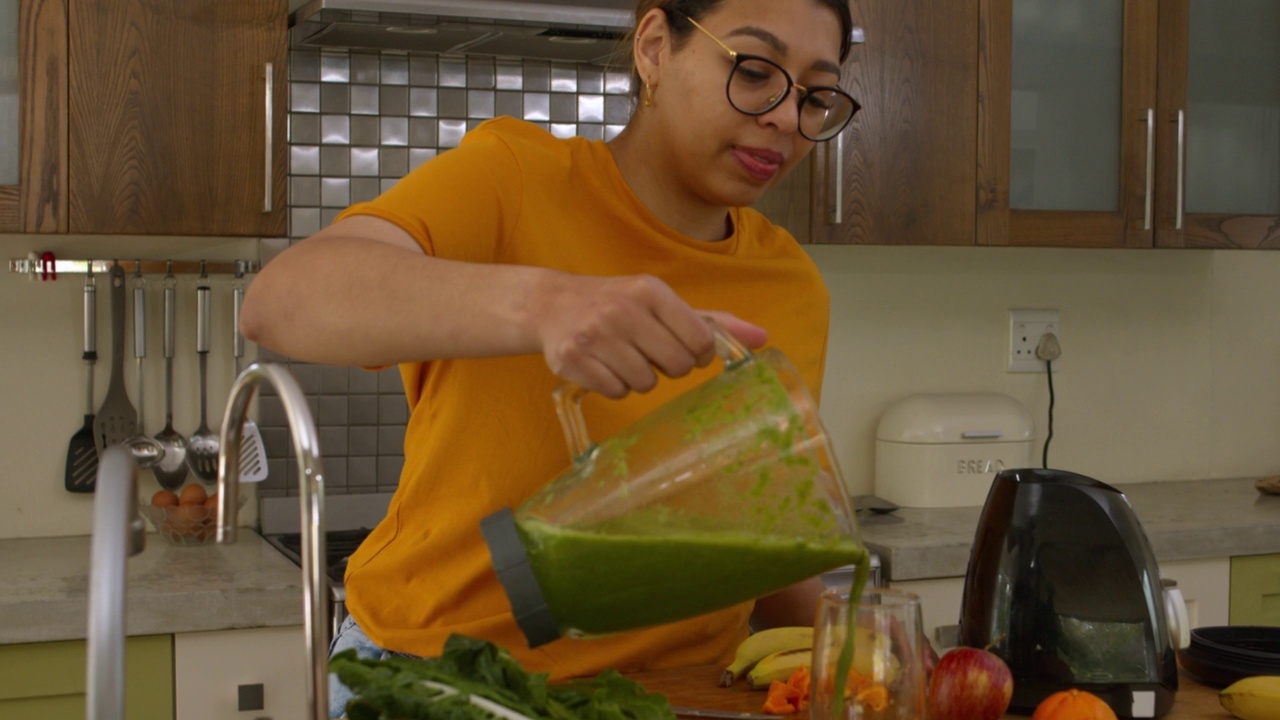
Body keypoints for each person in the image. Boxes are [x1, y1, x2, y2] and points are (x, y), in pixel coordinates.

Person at [239, 0, 857, 715]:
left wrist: (881, 654)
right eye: (754, 72)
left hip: (680, 695)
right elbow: (283, 301)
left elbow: (748, 541)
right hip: (448, 679)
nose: (786, 118)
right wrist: (546, 306)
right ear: (654, 48)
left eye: (815, 96)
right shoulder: (514, 180)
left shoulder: (791, 287)